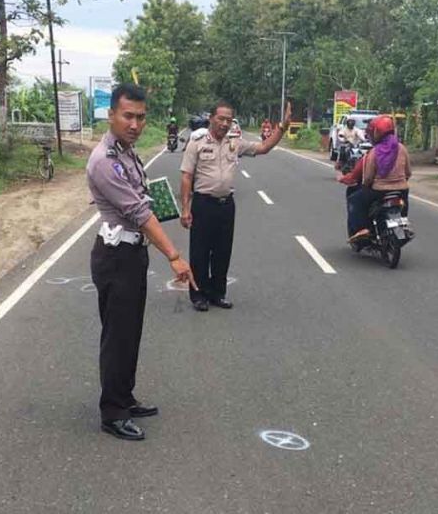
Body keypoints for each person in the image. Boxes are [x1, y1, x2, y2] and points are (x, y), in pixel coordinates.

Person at [86, 83, 196, 441]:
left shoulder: (127, 152)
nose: (135, 124)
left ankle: (124, 395)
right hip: (115, 256)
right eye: (128, 116)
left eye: (141, 117)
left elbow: (143, 196)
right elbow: (137, 211)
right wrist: (175, 256)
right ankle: (112, 412)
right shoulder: (104, 161)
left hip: (131, 253)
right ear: (111, 115)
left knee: (130, 331)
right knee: (117, 335)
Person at [180, 101, 290, 312]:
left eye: (228, 120)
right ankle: (199, 295)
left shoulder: (235, 143)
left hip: (226, 205)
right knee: (200, 253)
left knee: (223, 252)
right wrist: (185, 209)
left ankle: (218, 294)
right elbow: (186, 176)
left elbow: (264, 147)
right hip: (203, 204)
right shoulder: (197, 143)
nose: (224, 123)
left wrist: (282, 127)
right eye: (221, 119)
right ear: (211, 118)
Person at [341, 115, 411, 242]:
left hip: (379, 191)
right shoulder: (402, 148)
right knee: (404, 203)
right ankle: (403, 224)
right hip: (402, 189)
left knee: (354, 200)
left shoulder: (375, 152)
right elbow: (408, 172)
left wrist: (365, 185)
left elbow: (368, 177)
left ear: (377, 133)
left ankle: (363, 228)